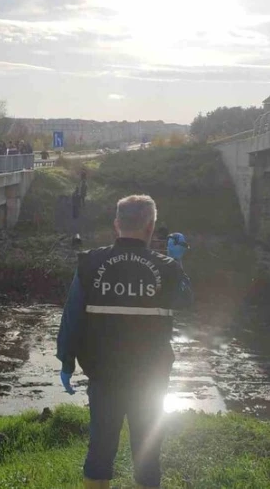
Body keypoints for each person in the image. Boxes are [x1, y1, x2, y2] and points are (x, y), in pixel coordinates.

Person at [57, 195, 193, 489]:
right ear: (151, 227)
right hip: (151, 377)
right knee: (147, 453)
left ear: (117, 225)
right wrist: (178, 261)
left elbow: (71, 317)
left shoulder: (91, 263)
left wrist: (66, 361)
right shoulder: (167, 268)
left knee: (101, 449)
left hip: (105, 375)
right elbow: (185, 300)